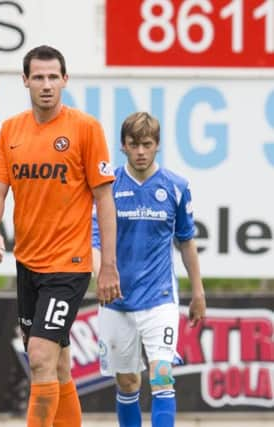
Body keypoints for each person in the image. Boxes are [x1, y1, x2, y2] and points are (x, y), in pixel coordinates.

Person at [0, 45, 121, 427]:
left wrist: (107, 265)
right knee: (58, 365)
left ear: (65, 80)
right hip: (28, 263)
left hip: (68, 265)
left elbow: (105, 200)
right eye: (38, 77)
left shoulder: (85, 129)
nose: (46, 85)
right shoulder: (12, 130)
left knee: (40, 357)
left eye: (53, 77)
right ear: (25, 80)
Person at [92, 112, 207, 427]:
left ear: (157, 145)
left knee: (161, 376)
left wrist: (198, 292)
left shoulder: (176, 186)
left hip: (160, 298)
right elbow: (95, 240)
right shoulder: (108, 187)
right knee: (128, 383)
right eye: (134, 144)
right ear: (123, 146)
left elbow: (187, 241)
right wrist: (100, 275)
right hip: (117, 299)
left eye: (147, 144)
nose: (140, 151)